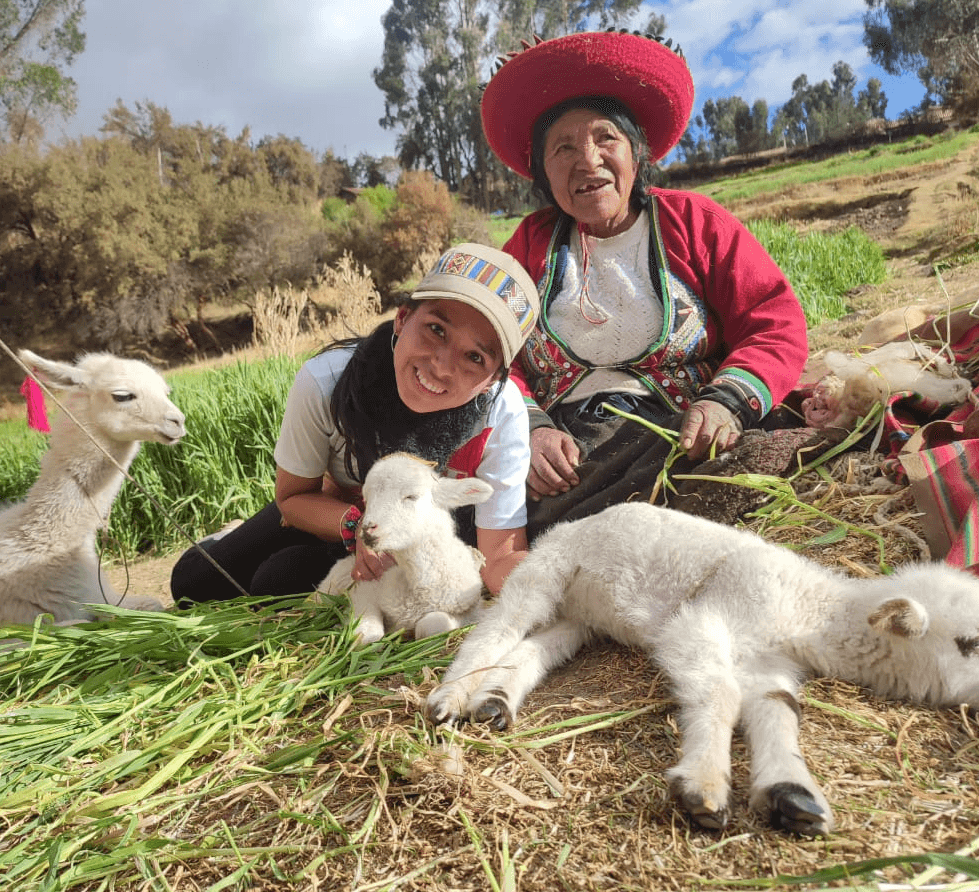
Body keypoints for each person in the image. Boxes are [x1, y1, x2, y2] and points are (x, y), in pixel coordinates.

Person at [480, 30, 809, 535]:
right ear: (544, 176)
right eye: (563, 148)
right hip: (568, 454)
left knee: (741, 461)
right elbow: (488, 354)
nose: (587, 159)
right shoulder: (529, 246)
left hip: (682, 431)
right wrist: (529, 428)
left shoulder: (694, 221)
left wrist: (725, 403)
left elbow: (773, 322)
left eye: (605, 138)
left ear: (636, 153)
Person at [171, 243, 541, 605]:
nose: (441, 366)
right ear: (402, 318)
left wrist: (554, 584)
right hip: (335, 512)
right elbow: (292, 497)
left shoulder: (501, 414)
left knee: (275, 580)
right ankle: (227, 536)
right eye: (436, 330)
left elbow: (499, 556)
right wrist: (356, 526)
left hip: (420, 537)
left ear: (493, 380)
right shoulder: (326, 382)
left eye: (475, 357)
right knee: (193, 585)